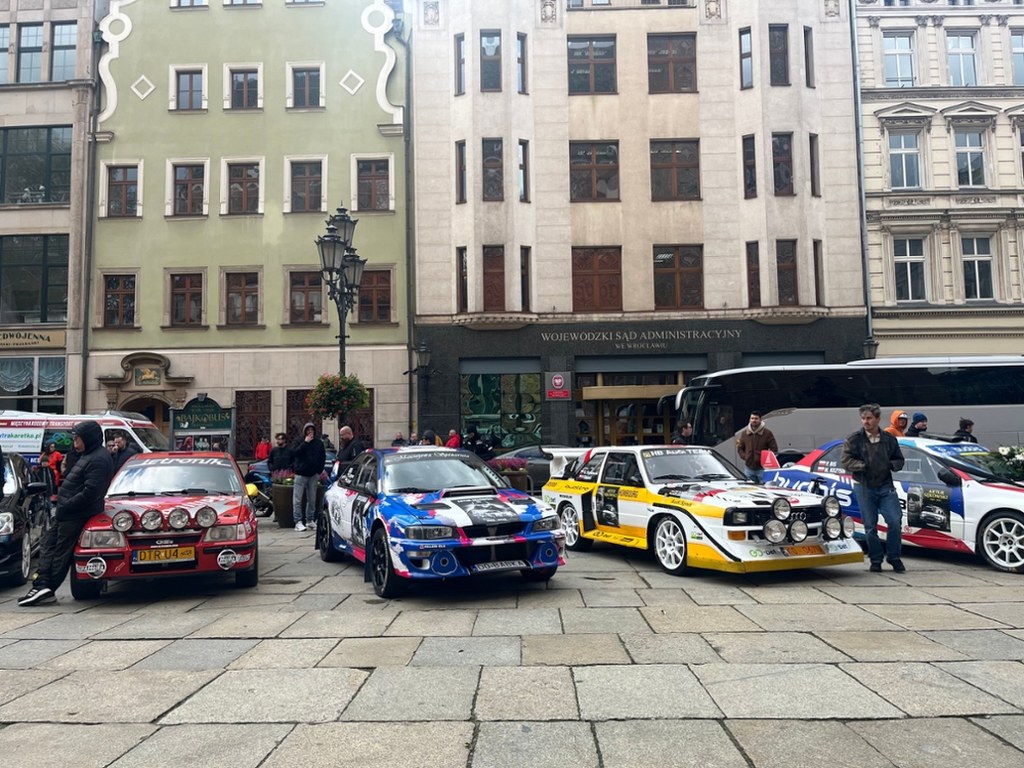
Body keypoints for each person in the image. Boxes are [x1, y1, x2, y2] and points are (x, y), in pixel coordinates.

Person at [19, 420, 114, 606]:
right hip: (67, 512)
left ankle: (48, 587)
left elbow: (91, 492)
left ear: (88, 439)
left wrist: (67, 506)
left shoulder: (98, 459)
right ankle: (41, 585)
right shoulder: (88, 455)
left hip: (75, 514)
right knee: (47, 544)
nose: (74, 443)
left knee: (60, 552)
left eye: (78, 439)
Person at [840, 403, 907, 573]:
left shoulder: (889, 439)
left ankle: (894, 557)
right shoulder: (854, 439)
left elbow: (899, 459)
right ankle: (875, 560)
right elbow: (846, 461)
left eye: (869, 418)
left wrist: (890, 465)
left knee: (895, 521)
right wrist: (864, 465)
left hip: (885, 485)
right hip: (864, 486)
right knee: (870, 525)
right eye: (863, 418)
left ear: (878, 419)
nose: (865, 422)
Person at [290, 422, 325, 532]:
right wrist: (305, 443)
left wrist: (319, 471)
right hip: (301, 474)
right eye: (308, 430)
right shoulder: (299, 441)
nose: (310, 432)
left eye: (312, 430)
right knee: (297, 499)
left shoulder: (318, 443)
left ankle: (310, 520)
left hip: (313, 474)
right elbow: (294, 453)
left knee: (312, 499)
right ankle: (298, 521)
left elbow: (322, 457)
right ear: (305, 431)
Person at [735, 411, 778, 483]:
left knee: (764, 488)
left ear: (760, 420)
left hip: (762, 469)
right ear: (749, 420)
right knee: (749, 488)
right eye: (752, 418)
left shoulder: (767, 433)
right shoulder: (744, 433)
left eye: (756, 418)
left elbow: (774, 449)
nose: (754, 420)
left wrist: (766, 461)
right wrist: (745, 457)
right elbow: (740, 448)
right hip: (748, 469)